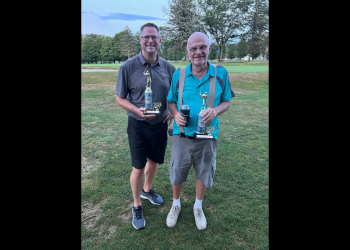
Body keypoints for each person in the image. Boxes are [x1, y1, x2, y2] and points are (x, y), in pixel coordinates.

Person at [166, 32, 235, 230]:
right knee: (177, 171)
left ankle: (198, 206)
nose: (198, 52)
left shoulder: (220, 73)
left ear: (209, 49)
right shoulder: (178, 74)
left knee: (203, 172)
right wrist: (176, 113)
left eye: (202, 47)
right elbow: (171, 101)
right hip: (182, 135)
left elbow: (227, 101)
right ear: (188, 52)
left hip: (208, 136)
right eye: (194, 48)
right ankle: (176, 204)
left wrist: (215, 110)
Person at [115, 22, 176, 230]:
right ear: (140, 40)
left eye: (154, 37)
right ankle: (137, 203)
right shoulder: (127, 67)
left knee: (154, 161)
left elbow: (173, 96)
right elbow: (120, 98)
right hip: (138, 125)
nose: (150, 40)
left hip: (159, 125)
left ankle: (147, 190)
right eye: (146, 37)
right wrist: (135, 110)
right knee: (138, 166)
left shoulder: (168, 67)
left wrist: (171, 112)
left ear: (159, 40)